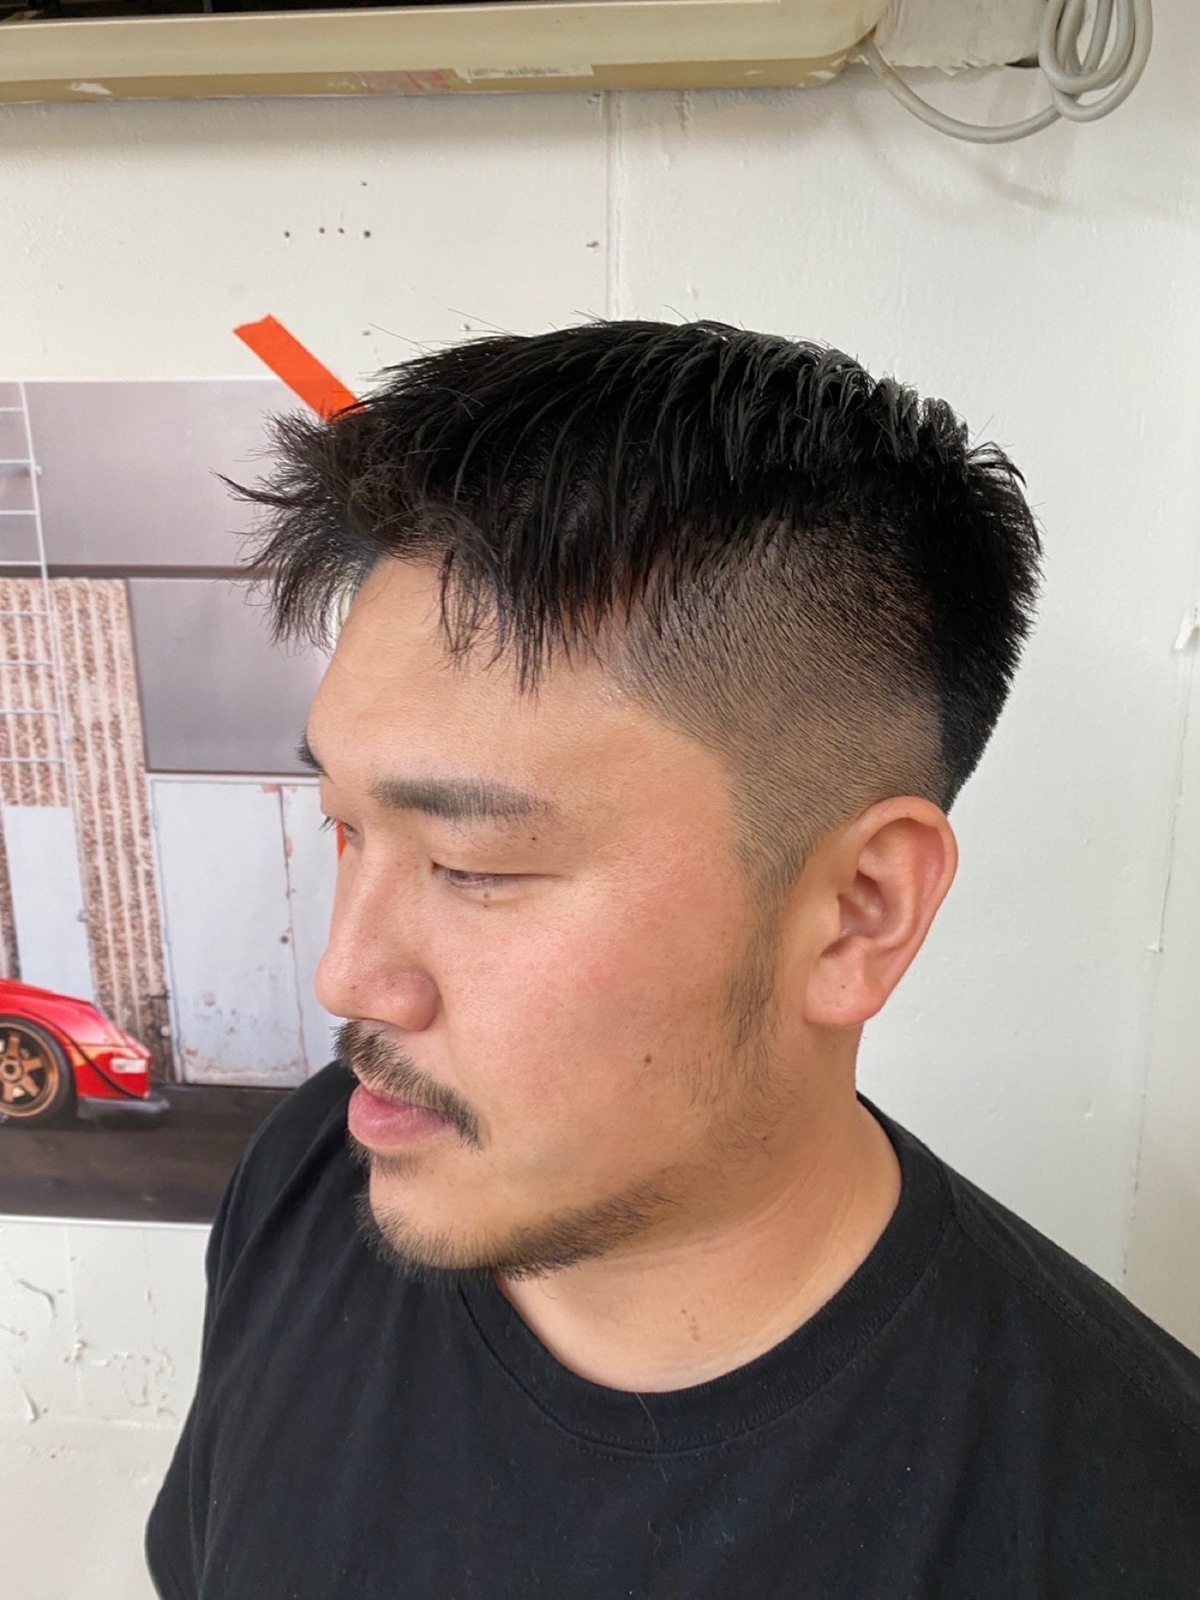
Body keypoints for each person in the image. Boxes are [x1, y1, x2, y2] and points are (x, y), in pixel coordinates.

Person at [146, 320, 1200, 1599]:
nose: (347, 977)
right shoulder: (316, 1172)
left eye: (475, 864)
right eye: (345, 826)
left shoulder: (1125, 1524)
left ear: (858, 913)